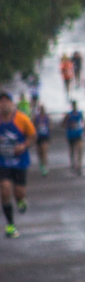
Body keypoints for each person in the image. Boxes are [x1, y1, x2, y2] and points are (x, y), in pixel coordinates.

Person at [0, 91, 37, 238]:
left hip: (20, 162)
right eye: (1, 102)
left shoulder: (22, 119)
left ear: (12, 103)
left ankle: (22, 201)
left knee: (19, 193)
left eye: (6, 101)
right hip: (3, 162)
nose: (4, 104)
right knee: (5, 189)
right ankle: (10, 225)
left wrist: (24, 145)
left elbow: (33, 136)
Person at [62, 100, 85, 175]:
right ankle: (73, 163)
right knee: (72, 149)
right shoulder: (68, 115)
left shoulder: (80, 114)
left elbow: (83, 123)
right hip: (71, 135)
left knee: (80, 149)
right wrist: (69, 125)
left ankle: (79, 165)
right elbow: (63, 124)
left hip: (78, 135)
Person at [32, 105, 51, 176]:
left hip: (45, 137)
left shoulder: (47, 117)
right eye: (41, 109)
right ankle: (41, 163)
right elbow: (32, 126)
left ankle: (44, 167)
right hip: (38, 137)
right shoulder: (36, 117)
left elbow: (50, 125)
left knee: (44, 151)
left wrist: (47, 128)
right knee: (39, 152)